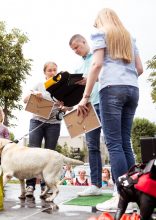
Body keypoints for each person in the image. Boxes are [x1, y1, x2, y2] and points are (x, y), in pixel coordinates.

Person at [77, 8, 143, 212]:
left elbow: (96, 64)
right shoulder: (129, 37)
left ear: (101, 22)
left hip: (111, 90)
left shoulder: (101, 34)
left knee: (113, 144)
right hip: (132, 89)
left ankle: (121, 195)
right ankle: (134, 194)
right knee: (125, 142)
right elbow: (140, 68)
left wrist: (85, 97)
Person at [23, 61, 71, 198]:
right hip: (37, 121)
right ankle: (30, 186)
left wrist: (65, 107)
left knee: (49, 156)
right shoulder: (39, 85)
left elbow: (70, 107)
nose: (53, 72)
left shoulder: (63, 88)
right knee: (33, 153)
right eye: (49, 70)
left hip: (54, 124)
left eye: (55, 70)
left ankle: (47, 186)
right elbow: (25, 100)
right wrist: (35, 95)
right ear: (45, 73)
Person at [69, 34, 102, 196]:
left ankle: (121, 184)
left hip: (104, 101)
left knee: (112, 142)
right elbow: (77, 92)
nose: (76, 50)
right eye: (73, 49)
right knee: (92, 145)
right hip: (88, 108)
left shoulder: (98, 55)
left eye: (77, 47)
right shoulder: (77, 68)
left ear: (84, 42)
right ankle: (95, 185)